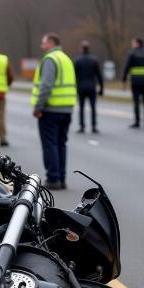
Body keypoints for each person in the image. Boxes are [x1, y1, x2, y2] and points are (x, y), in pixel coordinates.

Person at [31, 33, 77, 190]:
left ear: (50, 43)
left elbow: (46, 85)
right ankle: (61, 178)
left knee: (50, 144)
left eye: (44, 43)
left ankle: (53, 178)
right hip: (67, 109)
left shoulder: (50, 59)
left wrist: (38, 107)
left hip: (51, 109)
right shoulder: (66, 59)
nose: (42, 46)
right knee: (61, 144)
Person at [122, 38, 144, 128]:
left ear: (137, 43)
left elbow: (127, 67)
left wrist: (124, 80)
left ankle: (137, 121)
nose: (132, 45)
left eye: (133, 43)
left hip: (136, 81)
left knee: (136, 101)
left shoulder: (132, 54)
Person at [74, 40, 103, 133]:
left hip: (81, 87)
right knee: (93, 107)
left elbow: (74, 75)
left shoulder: (77, 60)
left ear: (81, 48)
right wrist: (102, 88)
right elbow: (99, 75)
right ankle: (94, 126)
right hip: (91, 86)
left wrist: (74, 87)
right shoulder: (94, 60)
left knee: (81, 108)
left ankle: (82, 127)